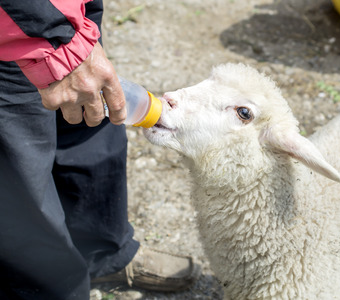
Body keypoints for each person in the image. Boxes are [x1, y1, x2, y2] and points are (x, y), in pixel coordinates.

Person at [0, 0, 200, 299]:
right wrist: (54, 38)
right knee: (21, 176)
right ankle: (48, 289)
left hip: (66, 13)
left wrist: (73, 31)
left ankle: (102, 252)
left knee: (93, 116)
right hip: (21, 24)